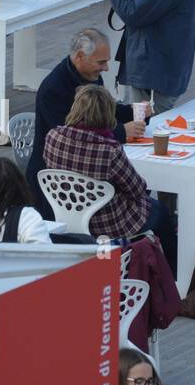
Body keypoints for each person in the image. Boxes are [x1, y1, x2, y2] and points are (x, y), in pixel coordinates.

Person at [43, 84, 176, 266]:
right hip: (108, 224)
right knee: (161, 212)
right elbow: (137, 190)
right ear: (107, 113)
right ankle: (173, 275)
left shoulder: (53, 137)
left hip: (68, 213)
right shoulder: (109, 151)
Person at [26, 28, 145, 213]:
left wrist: (135, 111)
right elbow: (69, 139)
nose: (106, 68)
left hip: (82, 173)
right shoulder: (53, 89)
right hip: (57, 184)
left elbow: (106, 111)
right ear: (80, 56)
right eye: (102, 62)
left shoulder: (90, 75)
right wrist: (122, 132)